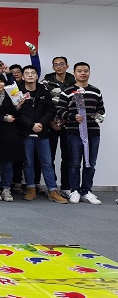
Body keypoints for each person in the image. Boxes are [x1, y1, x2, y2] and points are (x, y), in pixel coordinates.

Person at [17, 65, 68, 204]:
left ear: (37, 76)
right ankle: (31, 189)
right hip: (25, 133)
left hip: (42, 133)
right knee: (28, 163)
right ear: (23, 77)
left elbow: (50, 110)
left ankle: (52, 190)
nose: (30, 75)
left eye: (33, 73)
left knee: (47, 163)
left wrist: (41, 123)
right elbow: (17, 112)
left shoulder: (44, 91)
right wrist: (31, 125)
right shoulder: (18, 92)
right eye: (27, 73)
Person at [56, 62, 105, 205]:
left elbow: (101, 109)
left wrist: (98, 116)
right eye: (79, 71)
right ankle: (75, 190)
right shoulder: (68, 91)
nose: (83, 73)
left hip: (93, 132)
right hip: (74, 131)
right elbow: (60, 110)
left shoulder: (96, 91)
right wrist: (73, 116)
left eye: (85, 71)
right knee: (74, 162)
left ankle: (87, 191)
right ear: (74, 73)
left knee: (90, 163)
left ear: (89, 72)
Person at [41, 56, 76, 196]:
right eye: (56, 64)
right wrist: (50, 121)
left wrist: (66, 119)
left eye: (62, 64)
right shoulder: (45, 82)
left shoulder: (75, 82)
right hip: (50, 124)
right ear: (53, 67)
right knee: (49, 157)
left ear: (67, 66)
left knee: (68, 157)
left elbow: (78, 104)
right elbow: (42, 105)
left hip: (70, 124)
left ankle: (66, 187)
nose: (59, 67)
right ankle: (52, 186)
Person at [0, 73, 23, 202]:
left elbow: (18, 115)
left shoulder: (12, 95)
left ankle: (6, 189)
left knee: (8, 165)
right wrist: (3, 118)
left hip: (10, 134)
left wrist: (18, 107)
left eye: (1, 81)